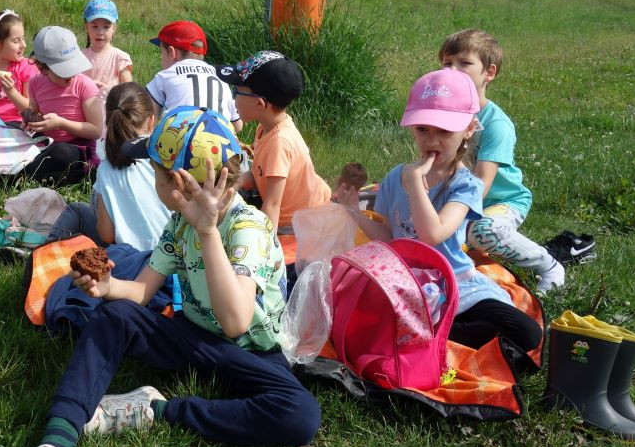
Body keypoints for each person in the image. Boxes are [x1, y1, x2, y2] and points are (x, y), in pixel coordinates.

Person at [1, 106, 321, 447]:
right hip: (191, 334)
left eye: (155, 173)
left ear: (180, 183)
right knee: (115, 315)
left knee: (299, 416)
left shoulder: (249, 229)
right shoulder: (179, 223)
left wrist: (208, 232)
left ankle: (157, 410)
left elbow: (236, 322)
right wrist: (107, 288)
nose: (152, 182)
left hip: (250, 352)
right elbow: (142, 290)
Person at [335, 68, 542, 371]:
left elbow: (432, 234)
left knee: (528, 332)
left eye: (444, 131)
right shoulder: (396, 177)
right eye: (423, 129)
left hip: (455, 281)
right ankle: (427, 330)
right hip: (407, 283)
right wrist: (354, 213)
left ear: (469, 129)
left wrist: (416, 186)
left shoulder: (465, 185)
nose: (432, 141)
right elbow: (391, 236)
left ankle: (429, 332)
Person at [440, 29, 566, 294]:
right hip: (457, 195)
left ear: (489, 73)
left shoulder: (496, 124)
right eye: (447, 63)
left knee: (481, 231)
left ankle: (549, 264)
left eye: (464, 63)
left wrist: (454, 218)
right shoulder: (442, 113)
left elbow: (482, 184)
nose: (452, 70)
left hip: (500, 201)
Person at [46, 82, 171, 249]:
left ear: (108, 123)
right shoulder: (167, 159)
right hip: (173, 255)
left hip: (128, 259)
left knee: (77, 210)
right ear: (151, 121)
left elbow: (107, 235)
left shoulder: (106, 169)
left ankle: (43, 254)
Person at [216, 51, 331, 233]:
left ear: (260, 104)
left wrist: (263, 246)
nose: (233, 99)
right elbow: (258, 175)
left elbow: (272, 205)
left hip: (300, 222)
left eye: (236, 92)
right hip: (294, 207)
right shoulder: (265, 127)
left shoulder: (279, 143)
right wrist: (235, 183)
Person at [22, 26, 103, 186]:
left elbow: (96, 130)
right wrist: (31, 120)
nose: (71, 73)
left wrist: (61, 123)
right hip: (46, 144)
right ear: (42, 68)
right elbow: (35, 112)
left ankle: (20, 176)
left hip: (77, 149)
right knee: (11, 131)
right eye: (63, 70)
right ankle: (28, 172)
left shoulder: (84, 85)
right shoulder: (35, 83)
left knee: (62, 153)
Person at [145, 20, 242, 132]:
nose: (161, 59)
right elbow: (238, 126)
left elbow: (148, 122)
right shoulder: (220, 77)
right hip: (219, 140)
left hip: (180, 140)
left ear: (172, 52)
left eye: (161, 53)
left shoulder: (164, 76)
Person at [81, 0, 132, 103]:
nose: (100, 32)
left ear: (114, 28)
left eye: (106, 27)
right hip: (84, 109)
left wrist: (110, 91)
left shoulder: (120, 58)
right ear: (86, 27)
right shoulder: (79, 57)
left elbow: (129, 91)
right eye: (94, 26)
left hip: (111, 109)